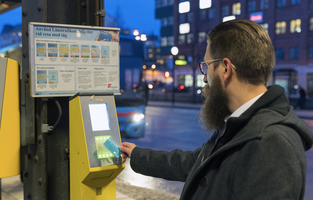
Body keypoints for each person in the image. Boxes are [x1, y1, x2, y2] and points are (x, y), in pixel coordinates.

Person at [119, 19, 313, 200]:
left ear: (225, 68)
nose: (204, 78)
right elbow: (198, 163)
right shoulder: (242, 123)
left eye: (206, 66)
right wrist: (138, 155)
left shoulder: (270, 143)